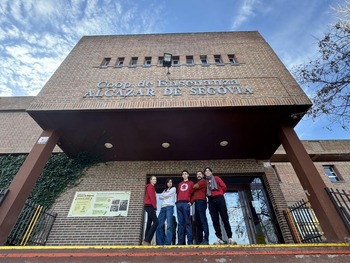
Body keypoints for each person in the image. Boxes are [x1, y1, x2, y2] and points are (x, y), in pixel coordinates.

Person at [204, 167, 237, 245]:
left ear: (211, 172)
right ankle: (219, 238)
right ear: (205, 173)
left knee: (224, 218)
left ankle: (230, 237)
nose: (207, 172)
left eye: (209, 171)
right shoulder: (205, 182)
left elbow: (224, 186)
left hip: (219, 198)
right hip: (211, 200)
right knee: (214, 220)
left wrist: (220, 193)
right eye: (206, 171)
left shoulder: (216, 178)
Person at [191, 170, 209, 245]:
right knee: (197, 222)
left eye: (200, 174)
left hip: (201, 202)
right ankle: (199, 240)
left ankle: (206, 239)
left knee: (203, 220)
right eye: (197, 174)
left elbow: (195, 186)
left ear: (202, 175)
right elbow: (192, 190)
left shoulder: (203, 181)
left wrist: (193, 187)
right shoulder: (199, 182)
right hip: (196, 202)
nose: (198, 175)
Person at [176, 170, 194, 245]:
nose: (184, 175)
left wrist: (191, 202)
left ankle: (190, 241)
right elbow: (178, 193)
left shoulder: (191, 183)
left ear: (188, 175)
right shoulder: (180, 184)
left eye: (186, 174)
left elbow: (193, 193)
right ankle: (180, 241)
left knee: (187, 222)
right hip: (179, 204)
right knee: (180, 223)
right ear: (182, 176)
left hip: (186, 203)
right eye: (183, 174)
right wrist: (177, 202)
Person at [156, 178, 176, 245]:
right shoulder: (165, 190)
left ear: (172, 183)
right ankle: (160, 242)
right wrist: (165, 195)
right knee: (159, 225)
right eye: (168, 182)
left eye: (171, 182)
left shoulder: (173, 189)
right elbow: (160, 197)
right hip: (163, 207)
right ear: (167, 183)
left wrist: (164, 195)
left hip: (169, 207)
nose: (169, 183)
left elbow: (164, 195)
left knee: (169, 225)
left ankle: (167, 243)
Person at [143, 175, 158, 245]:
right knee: (156, 222)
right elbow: (152, 197)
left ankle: (146, 240)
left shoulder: (152, 187)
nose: (155, 180)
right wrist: (154, 207)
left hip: (150, 206)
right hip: (150, 206)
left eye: (155, 179)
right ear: (150, 180)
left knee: (149, 222)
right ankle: (147, 240)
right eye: (153, 179)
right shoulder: (150, 186)